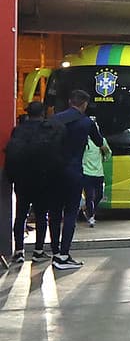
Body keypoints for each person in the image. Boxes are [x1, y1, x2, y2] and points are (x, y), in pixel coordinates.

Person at [49, 89, 108, 270]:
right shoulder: (86, 122)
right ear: (84, 104)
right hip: (73, 172)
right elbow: (99, 142)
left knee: (55, 213)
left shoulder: (55, 119)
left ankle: (55, 252)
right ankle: (64, 255)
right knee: (70, 214)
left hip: (54, 172)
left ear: (69, 102)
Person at [5, 101, 59, 264]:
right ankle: (38, 251)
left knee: (20, 214)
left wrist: (11, 177)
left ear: (28, 113)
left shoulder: (19, 130)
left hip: (22, 179)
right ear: (42, 113)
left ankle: (19, 251)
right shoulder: (49, 129)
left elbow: (12, 153)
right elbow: (54, 154)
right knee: (42, 215)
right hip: (43, 179)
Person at [82, 129, 112, 226]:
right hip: (86, 172)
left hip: (99, 173)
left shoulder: (102, 141)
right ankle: (91, 216)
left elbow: (108, 153)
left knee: (99, 195)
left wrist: (104, 155)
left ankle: (89, 210)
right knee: (89, 196)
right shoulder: (84, 141)